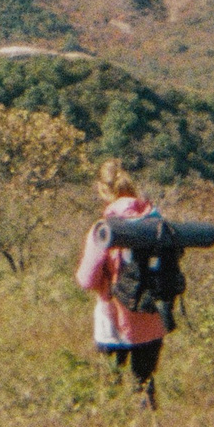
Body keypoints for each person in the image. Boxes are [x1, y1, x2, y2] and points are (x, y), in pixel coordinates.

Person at [75, 160, 166, 407]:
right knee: (144, 385)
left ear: (104, 190)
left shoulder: (104, 230)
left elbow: (86, 279)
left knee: (110, 386)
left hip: (113, 320)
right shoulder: (156, 223)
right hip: (151, 318)